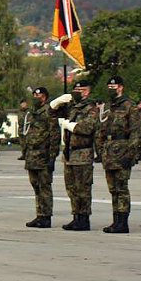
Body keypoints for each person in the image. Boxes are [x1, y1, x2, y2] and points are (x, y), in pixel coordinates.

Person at [95, 76, 141, 233]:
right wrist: (101, 149)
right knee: (113, 188)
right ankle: (116, 221)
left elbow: (136, 132)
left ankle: (123, 222)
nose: (111, 88)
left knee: (122, 188)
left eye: (113, 86)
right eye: (109, 86)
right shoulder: (108, 107)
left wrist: (130, 153)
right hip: (109, 151)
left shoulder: (130, 106)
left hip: (122, 151)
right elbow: (102, 129)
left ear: (121, 87)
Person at [49, 80, 98, 231]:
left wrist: (70, 126)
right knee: (71, 188)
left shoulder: (91, 108)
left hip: (82, 152)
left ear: (86, 92)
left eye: (80, 89)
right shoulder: (72, 107)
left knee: (83, 187)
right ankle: (76, 216)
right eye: (75, 89)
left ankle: (84, 218)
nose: (76, 92)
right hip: (69, 152)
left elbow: (87, 128)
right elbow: (50, 114)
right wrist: (56, 102)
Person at [22, 87, 60, 228]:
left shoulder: (49, 111)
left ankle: (46, 216)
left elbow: (55, 135)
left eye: (39, 95)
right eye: (34, 95)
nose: (36, 97)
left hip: (44, 154)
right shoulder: (32, 112)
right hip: (32, 155)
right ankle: (39, 214)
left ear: (45, 97)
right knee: (36, 186)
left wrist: (52, 156)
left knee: (44, 187)